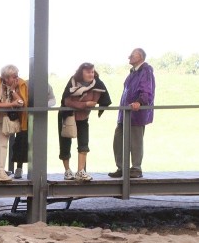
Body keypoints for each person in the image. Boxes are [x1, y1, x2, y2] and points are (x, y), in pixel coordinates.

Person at [58, 63, 111, 182]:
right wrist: (84, 104)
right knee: (65, 142)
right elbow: (67, 101)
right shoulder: (72, 81)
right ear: (81, 73)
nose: (91, 74)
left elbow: (93, 102)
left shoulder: (97, 84)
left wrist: (83, 105)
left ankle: (80, 171)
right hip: (67, 116)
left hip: (83, 117)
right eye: (88, 72)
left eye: (92, 72)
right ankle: (67, 171)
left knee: (84, 143)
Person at [110, 48, 155, 179]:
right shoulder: (133, 72)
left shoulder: (145, 70)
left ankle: (136, 168)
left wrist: (140, 102)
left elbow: (147, 89)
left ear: (140, 57)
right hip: (125, 112)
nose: (129, 57)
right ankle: (122, 168)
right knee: (118, 139)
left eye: (132, 55)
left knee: (136, 140)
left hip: (136, 113)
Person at [11, 82, 56, 179]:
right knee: (21, 142)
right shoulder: (25, 84)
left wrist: (43, 105)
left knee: (37, 143)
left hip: (39, 118)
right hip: (24, 117)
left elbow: (53, 100)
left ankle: (36, 170)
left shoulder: (46, 85)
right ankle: (19, 168)